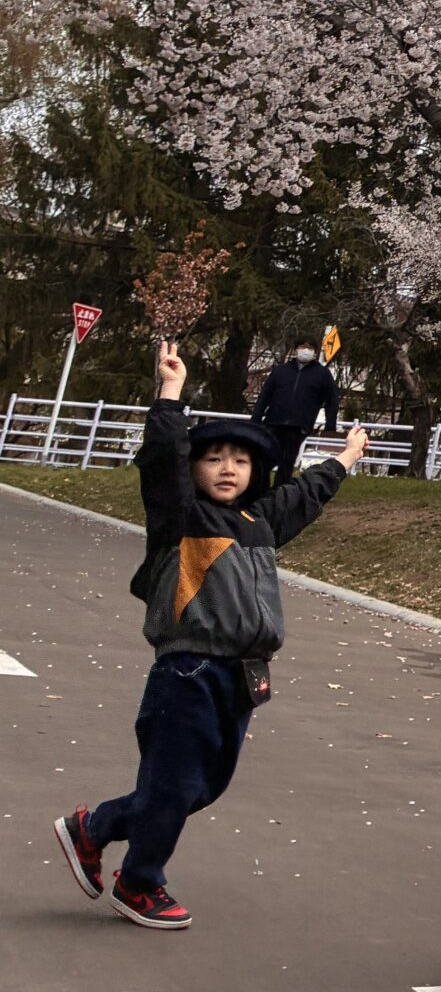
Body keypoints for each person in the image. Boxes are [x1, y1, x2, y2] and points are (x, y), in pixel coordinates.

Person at [55, 341, 365, 932]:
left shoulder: (258, 523)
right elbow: (163, 460)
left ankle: (92, 828)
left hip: (243, 674)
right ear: (195, 468)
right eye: (215, 458)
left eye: (241, 461)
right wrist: (169, 394)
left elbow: (304, 496)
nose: (228, 468)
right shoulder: (180, 516)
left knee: (205, 785)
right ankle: (140, 882)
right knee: (173, 785)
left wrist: (345, 458)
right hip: (188, 671)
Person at [249, 334, 339, 473]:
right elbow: (265, 395)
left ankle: (280, 491)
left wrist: (330, 425)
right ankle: (261, 489)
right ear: (296, 349)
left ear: (315, 351)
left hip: (299, 425)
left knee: (287, 462)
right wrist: (256, 417)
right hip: (274, 421)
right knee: (265, 458)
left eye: (309, 348)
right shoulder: (281, 370)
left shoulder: (322, 374)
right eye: (303, 347)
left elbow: (331, 400)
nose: (305, 350)